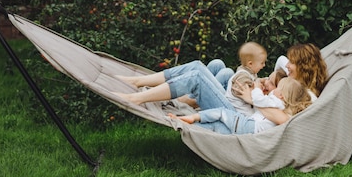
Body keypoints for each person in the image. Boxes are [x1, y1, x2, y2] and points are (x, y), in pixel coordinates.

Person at [115, 42, 267, 114]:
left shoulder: (287, 92)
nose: (265, 66)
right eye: (263, 63)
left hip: (234, 113)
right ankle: (139, 81)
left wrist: (257, 92)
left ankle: (137, 98)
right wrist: (263, 83)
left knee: (196, 76)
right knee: (212, 65)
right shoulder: (256, 75)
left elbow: (256, 99)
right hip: (237, 101)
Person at [171, 77, 311, 135]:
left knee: (221, 112)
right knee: (216, 127)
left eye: (277, 87)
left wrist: (256, 87)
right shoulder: (278, 106)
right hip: (247, 130)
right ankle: (185, 124)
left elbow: (258, 100)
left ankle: (192, 117)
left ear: (282, 95)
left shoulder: (276, 103)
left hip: (247, 125)